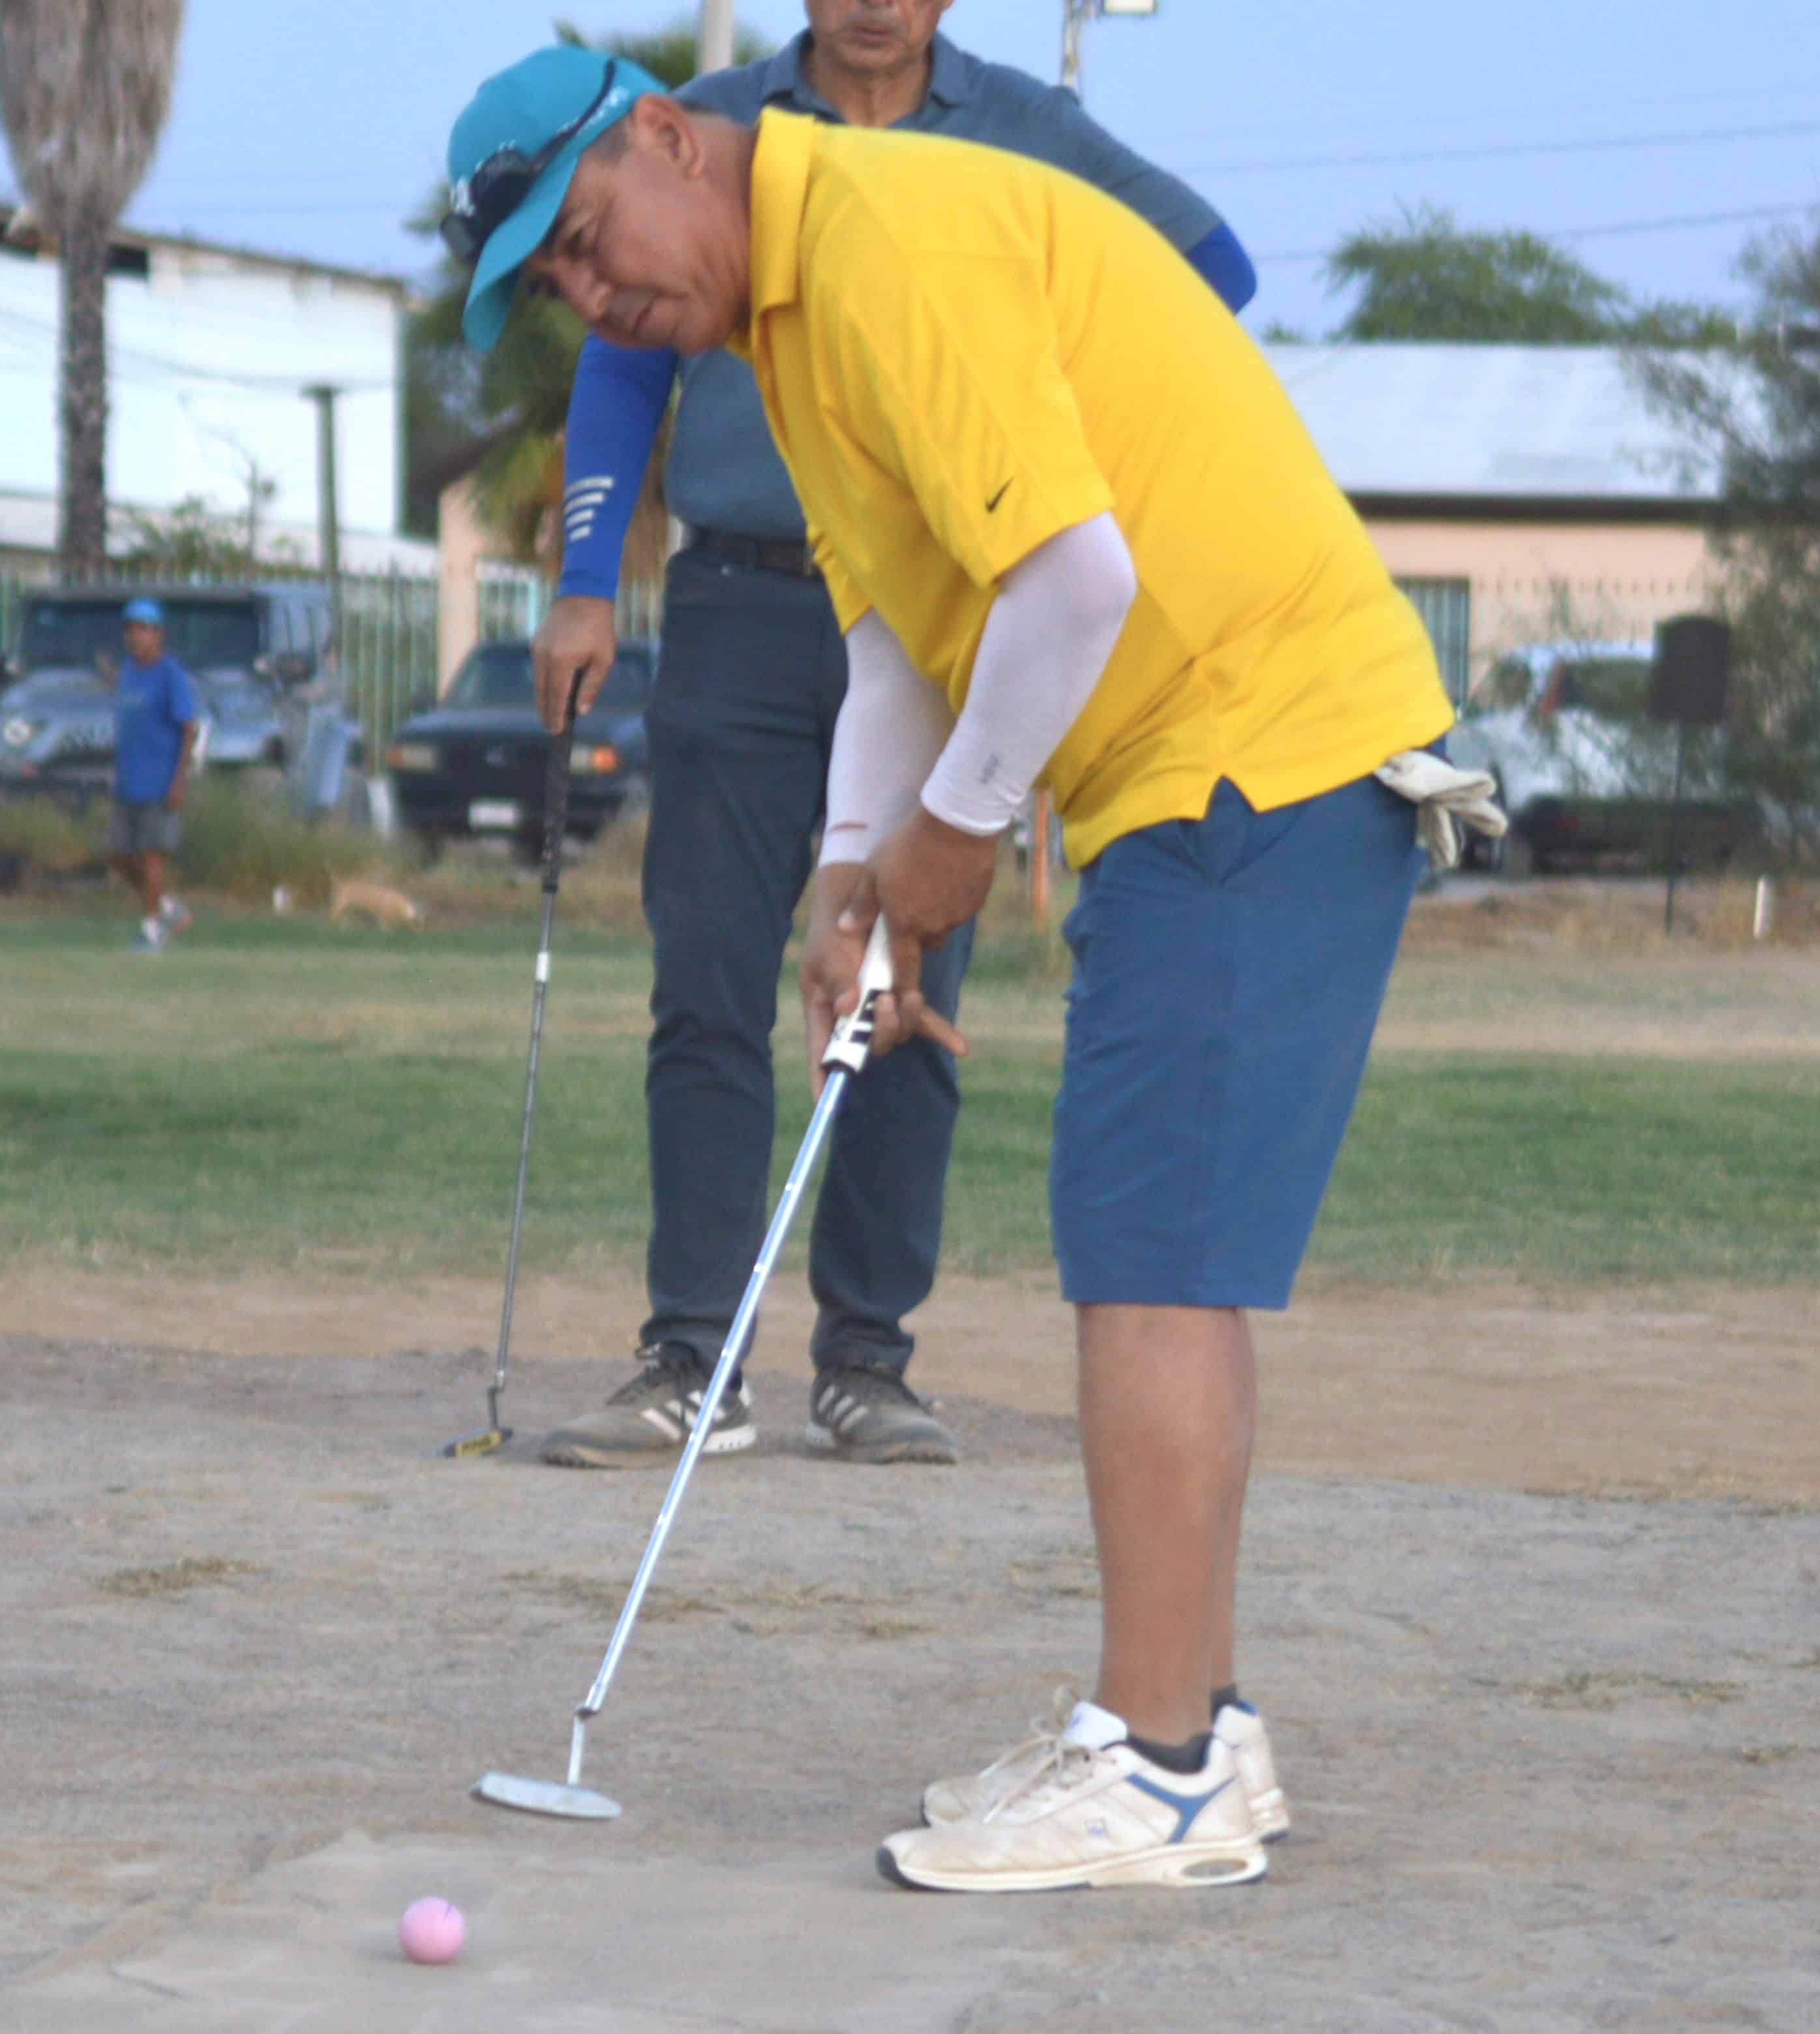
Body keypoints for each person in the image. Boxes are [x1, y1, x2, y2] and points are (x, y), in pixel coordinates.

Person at [447, 47, 1484, 1893]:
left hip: (1253, 752)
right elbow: (900, 636)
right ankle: (1194, 1731)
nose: (600, 300)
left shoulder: (878, 255)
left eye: (594, 242)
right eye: (562, 290)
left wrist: (957, 835)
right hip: (1207, 763)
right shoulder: (786, 322)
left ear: (672, 142)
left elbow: (1072, 580)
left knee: (1151, 1260)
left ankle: (1153, 1764)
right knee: (1152, 1253)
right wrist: (857, 869)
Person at [521, 4, 1259, 1474]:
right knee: (713, 982)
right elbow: (617, 369)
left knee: (902, 974)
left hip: (939, 611)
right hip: (739, 592)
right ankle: (693, 1356)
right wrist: (584, 581)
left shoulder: (1024, 129)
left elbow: (1205, 266)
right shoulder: (704, 135)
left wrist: (1074, 440)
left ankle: (865, 1356)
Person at [106, 597, 200, 952]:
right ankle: (168, 908)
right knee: (116, 853)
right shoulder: (128, 673)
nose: (135, 637)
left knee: (151, 854)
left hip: (160, 781)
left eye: (143, 629)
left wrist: (179, 780)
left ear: (158, 634)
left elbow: (188, 728)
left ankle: (151, 929)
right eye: (130, 629)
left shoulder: (170, 675)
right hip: (129, 779)